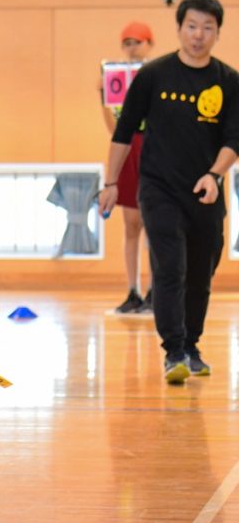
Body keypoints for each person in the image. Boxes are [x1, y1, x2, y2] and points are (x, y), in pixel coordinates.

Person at [98, 0, 239, 385]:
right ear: (179, 29)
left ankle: (191, 346)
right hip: (158, 189)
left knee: (200, 272)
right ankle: (173, 350)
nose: (198, 35)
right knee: (170, 266)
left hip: (206, 191)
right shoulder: (153, 76)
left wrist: (214, 175)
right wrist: (110, 182)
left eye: (207, 27)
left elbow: (234, 139)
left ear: (217, 32)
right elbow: (123, 132)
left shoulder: (229, 81)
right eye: (191, 26)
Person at [101, 22, 155, 314]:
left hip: (154, 150)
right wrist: (102, 98)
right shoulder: (117, 80)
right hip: (128, 150)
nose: (132, 48)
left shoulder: (157, 76)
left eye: (138, 42)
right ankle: (133, 290)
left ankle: (155, 290)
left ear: (149, 44)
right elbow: (115, 130)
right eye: (128, 43)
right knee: (131, 224)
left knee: (155, 224)